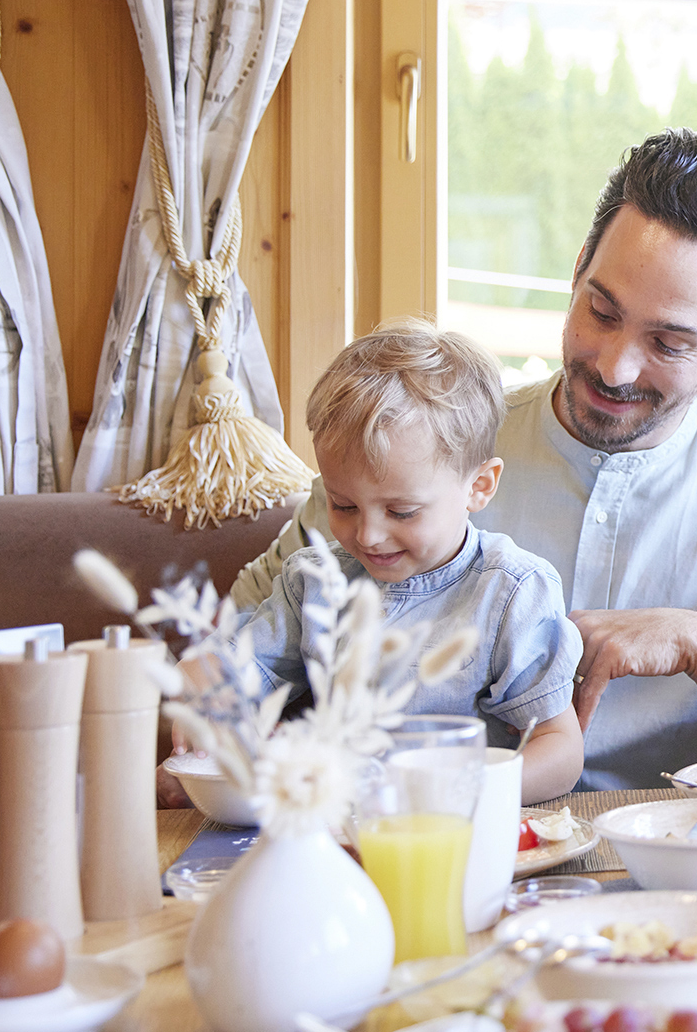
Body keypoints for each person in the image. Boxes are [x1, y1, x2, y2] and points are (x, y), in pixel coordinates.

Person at [234, 131, 697, 795]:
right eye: (601, 311)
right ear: (580, 265)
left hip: (690, 866)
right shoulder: (425, 439)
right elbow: (234, 649)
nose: (615, 366)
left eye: (668, 343)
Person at [235, 322, 585, 803]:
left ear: (479, 486)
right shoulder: (311, 583)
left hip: (454, 834)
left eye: (401, 511)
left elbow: (560, 750)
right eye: (343, 505)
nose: (368, 535)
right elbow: (237, 678)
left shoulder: (511, 593)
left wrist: (456, 792)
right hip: (334, 831)